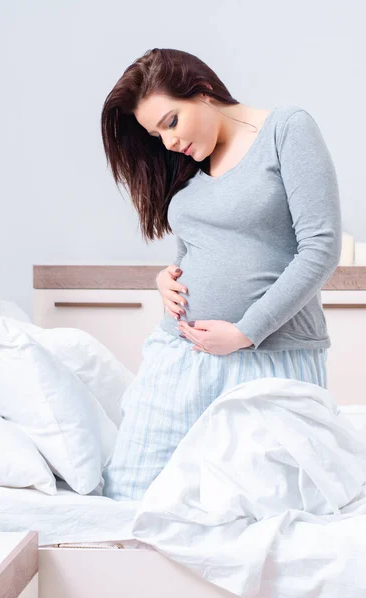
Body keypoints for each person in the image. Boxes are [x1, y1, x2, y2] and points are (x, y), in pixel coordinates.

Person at [100, 48, 342, 501]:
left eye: (171, 122)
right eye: (157, 135)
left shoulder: (286, 130)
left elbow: (321, 248)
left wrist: (246, 332)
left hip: (271, 357)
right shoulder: (191, 163)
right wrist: (167, 278)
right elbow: (198, 245)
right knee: (131, 493)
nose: (168, 142)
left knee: (263, 510)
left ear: (204, 92)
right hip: (179, 355)